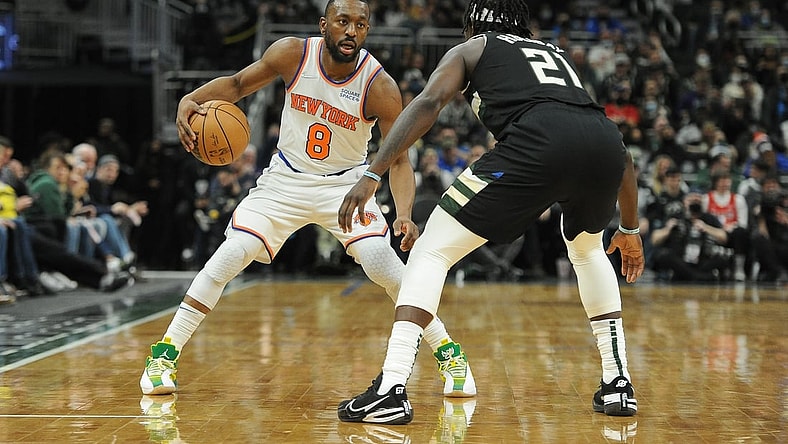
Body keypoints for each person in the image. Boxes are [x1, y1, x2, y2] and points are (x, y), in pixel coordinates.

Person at [139, 0, 476, 399]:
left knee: (386, 268)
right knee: (231, 255)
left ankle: (450, 354)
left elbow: (399, 158)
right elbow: (235, 86)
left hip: (345, 187)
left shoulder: (379, 86)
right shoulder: (292, 54)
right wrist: (189, 99)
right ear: (324, 25)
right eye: (343, 22)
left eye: (361, 25)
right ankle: (164, 354)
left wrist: (404, 214)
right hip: (285, 182)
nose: (352, 31)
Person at [337, 0, 645, 425]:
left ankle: (391, 388)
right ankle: (619, 383)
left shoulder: (474, 48)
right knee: (589, 251)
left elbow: (428, 104)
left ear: (473, 25)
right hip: (605, 145)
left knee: (431, 251)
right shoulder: (553, 54)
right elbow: (622, 156)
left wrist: (374, 172)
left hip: (537, 144)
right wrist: (630, 228)